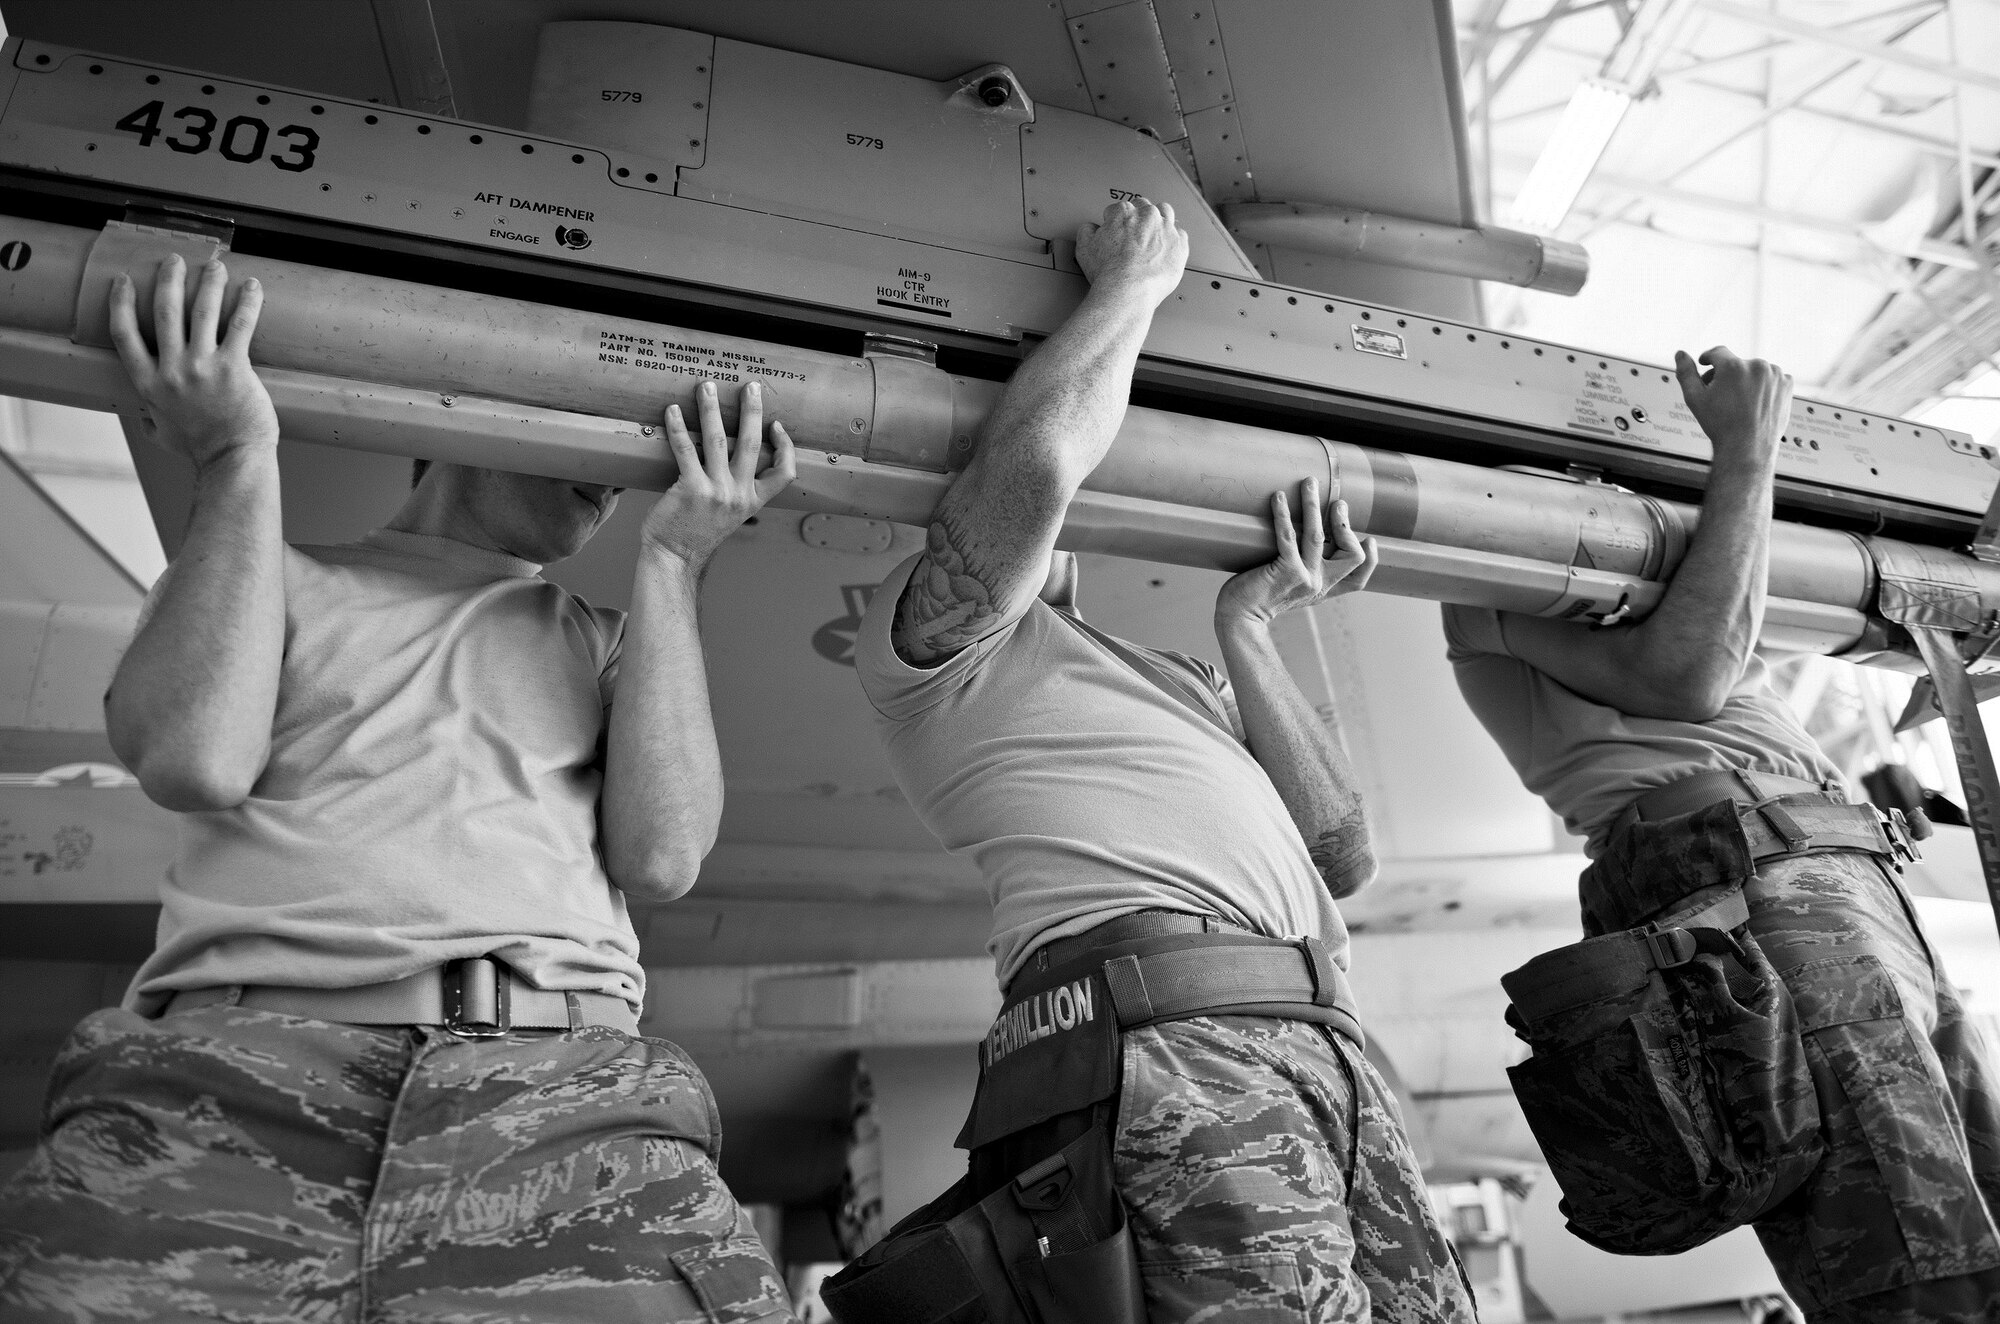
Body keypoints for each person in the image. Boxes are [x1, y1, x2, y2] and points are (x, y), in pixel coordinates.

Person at [0, 255, 799, 1322]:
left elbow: (663, 854)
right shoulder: (274, 578)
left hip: (558, 1100)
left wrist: (671, 564)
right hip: (237, 1090)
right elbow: (191, 755)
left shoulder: (602, 640)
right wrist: (238, 453)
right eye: (593, 435)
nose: (613, 480)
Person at [851, 199, 1477, 1322]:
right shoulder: (935, 655)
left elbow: (1339, 852)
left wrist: (1250, 626)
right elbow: (1033, 470)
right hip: (1174, 1041)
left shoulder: (1173, 677)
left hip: (1313, 1036)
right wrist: (1129, 289)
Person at [1442, 346, 2000, 1322]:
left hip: (1823, 870)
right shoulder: (1491, 557)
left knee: (1972, 1208)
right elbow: (1685, 678)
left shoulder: (1672, 577)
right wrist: (1744, 453)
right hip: (1746, 876)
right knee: (1908, 1235)